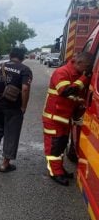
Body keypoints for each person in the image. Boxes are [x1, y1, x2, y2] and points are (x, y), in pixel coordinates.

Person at [42, 52, 93, 186]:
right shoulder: (62, 72)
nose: (87, 70)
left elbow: (76, 96)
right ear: (79, 63)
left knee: (62, 145)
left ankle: (59, 169)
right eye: (86, 67)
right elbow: (66, 91)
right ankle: (55, 173)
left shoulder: (77, 74)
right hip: (53, 118)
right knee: (54, 147)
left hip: (64, 118)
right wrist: (83, 79)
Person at [0, 47, 33, 172]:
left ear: (10, 56)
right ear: (22, 57)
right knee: (12, 134)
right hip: (13, 108)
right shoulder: (24, 69)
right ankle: (5, 164)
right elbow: (25, 89)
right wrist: (23, 107)